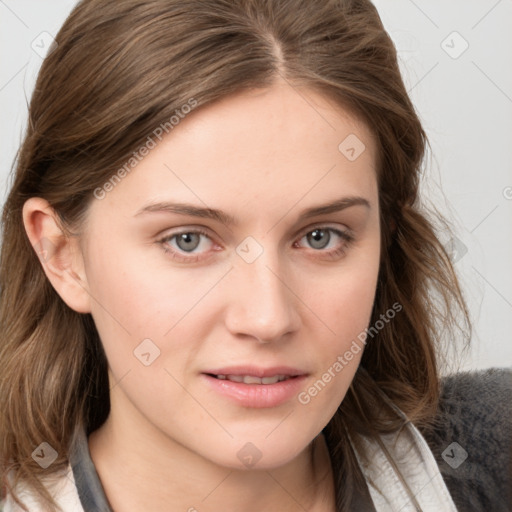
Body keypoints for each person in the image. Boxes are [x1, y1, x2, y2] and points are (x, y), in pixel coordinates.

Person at [0, 0, 510, 511]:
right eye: (188, 240)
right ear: (63, 255)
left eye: (320, 237)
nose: (267, 318)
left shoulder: (489, 464)